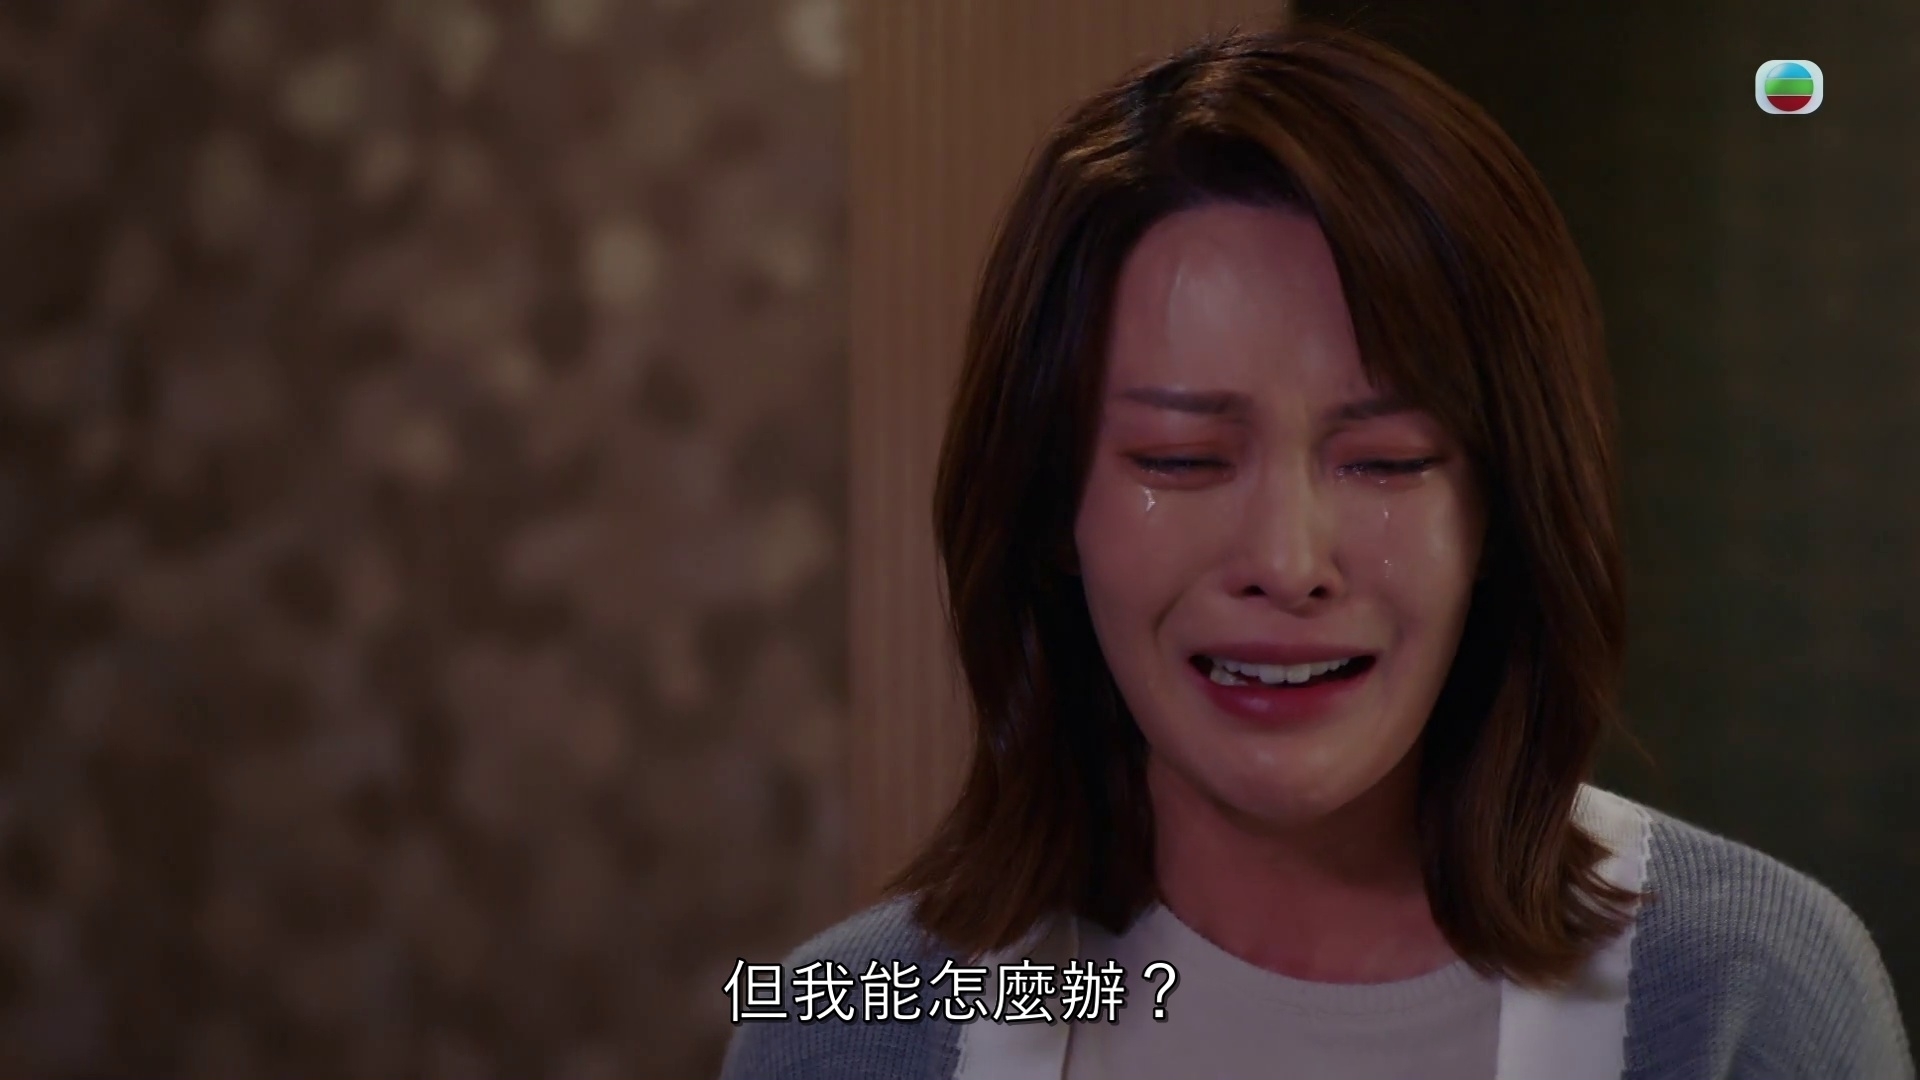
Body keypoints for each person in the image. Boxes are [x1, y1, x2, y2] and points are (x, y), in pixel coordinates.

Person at [719, 23, 1913, 1080]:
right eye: (1182, 459)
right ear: (1049, 509)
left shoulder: (1744, 998)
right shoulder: (849, 1029)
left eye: (1386, 461)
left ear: (1503, 513)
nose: (1288, 562)